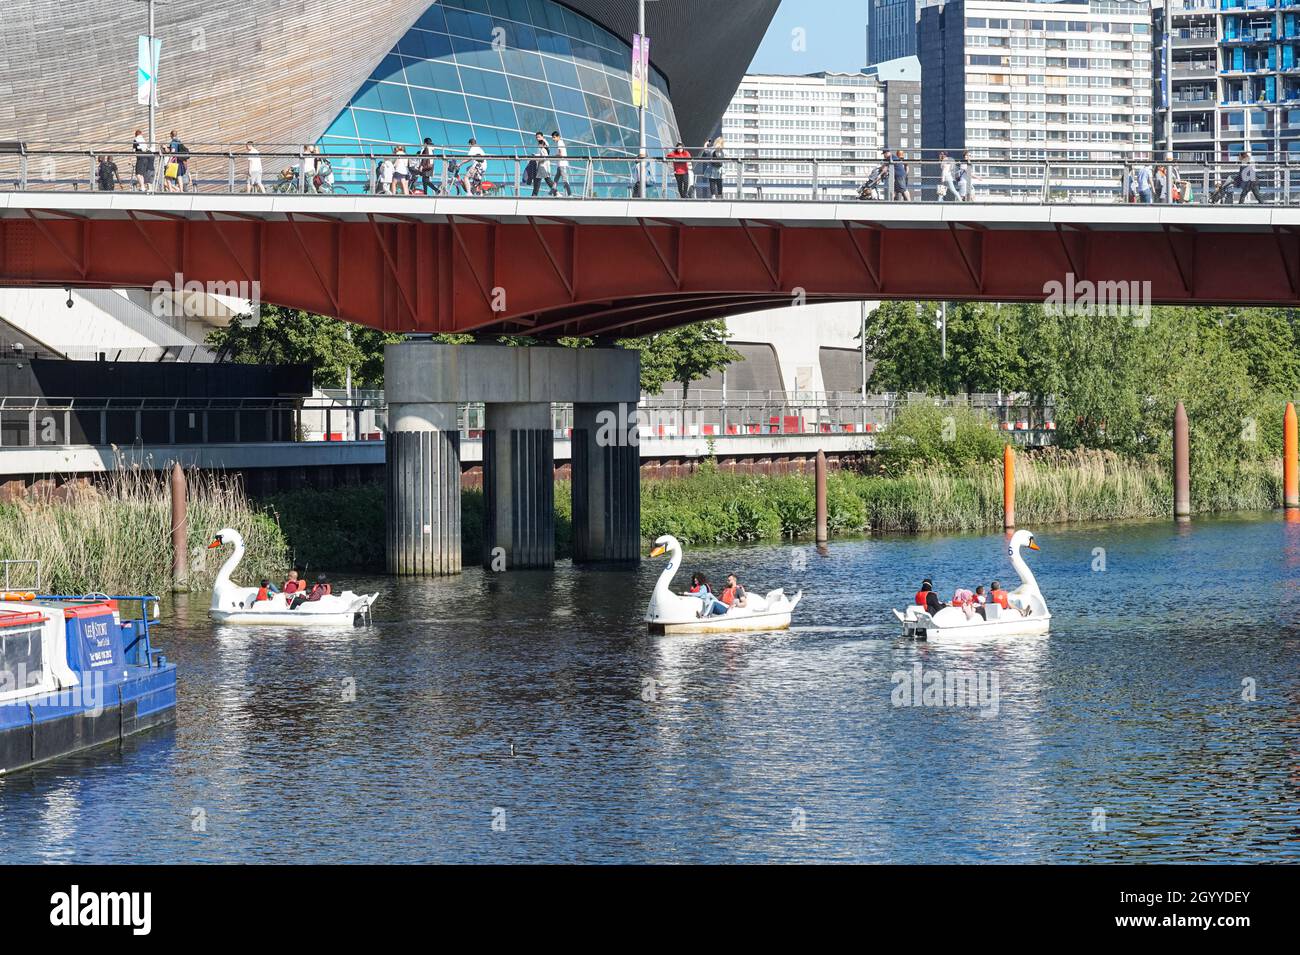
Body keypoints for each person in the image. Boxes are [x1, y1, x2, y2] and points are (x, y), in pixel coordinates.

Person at [549, 131, 571, 196]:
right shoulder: (560, 142)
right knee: (556, 179)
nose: (553, 139)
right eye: (552, 137)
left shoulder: (559, 143)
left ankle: (569, 194)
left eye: (554, 137)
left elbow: (560, 154)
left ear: (558, 137)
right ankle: (552, 192)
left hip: (562, 164)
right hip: (560, 164)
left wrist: (554, 156)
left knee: (564, 179)